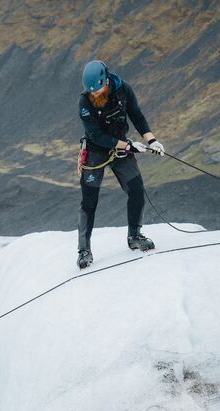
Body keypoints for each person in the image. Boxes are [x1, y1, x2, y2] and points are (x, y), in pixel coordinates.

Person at [76, 59, 165, 269]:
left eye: (97, 90)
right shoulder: (85, 102)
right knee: (89, 201)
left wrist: (151, 140)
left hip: (121, 147)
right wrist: (128, 145)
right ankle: (84, 251)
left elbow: (136, 116)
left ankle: (134, 236)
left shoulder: (124, 90)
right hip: (96, 151)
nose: (94, 95)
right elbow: (96, 135)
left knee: (136, 190)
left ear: (106, 80)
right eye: (91, 92)